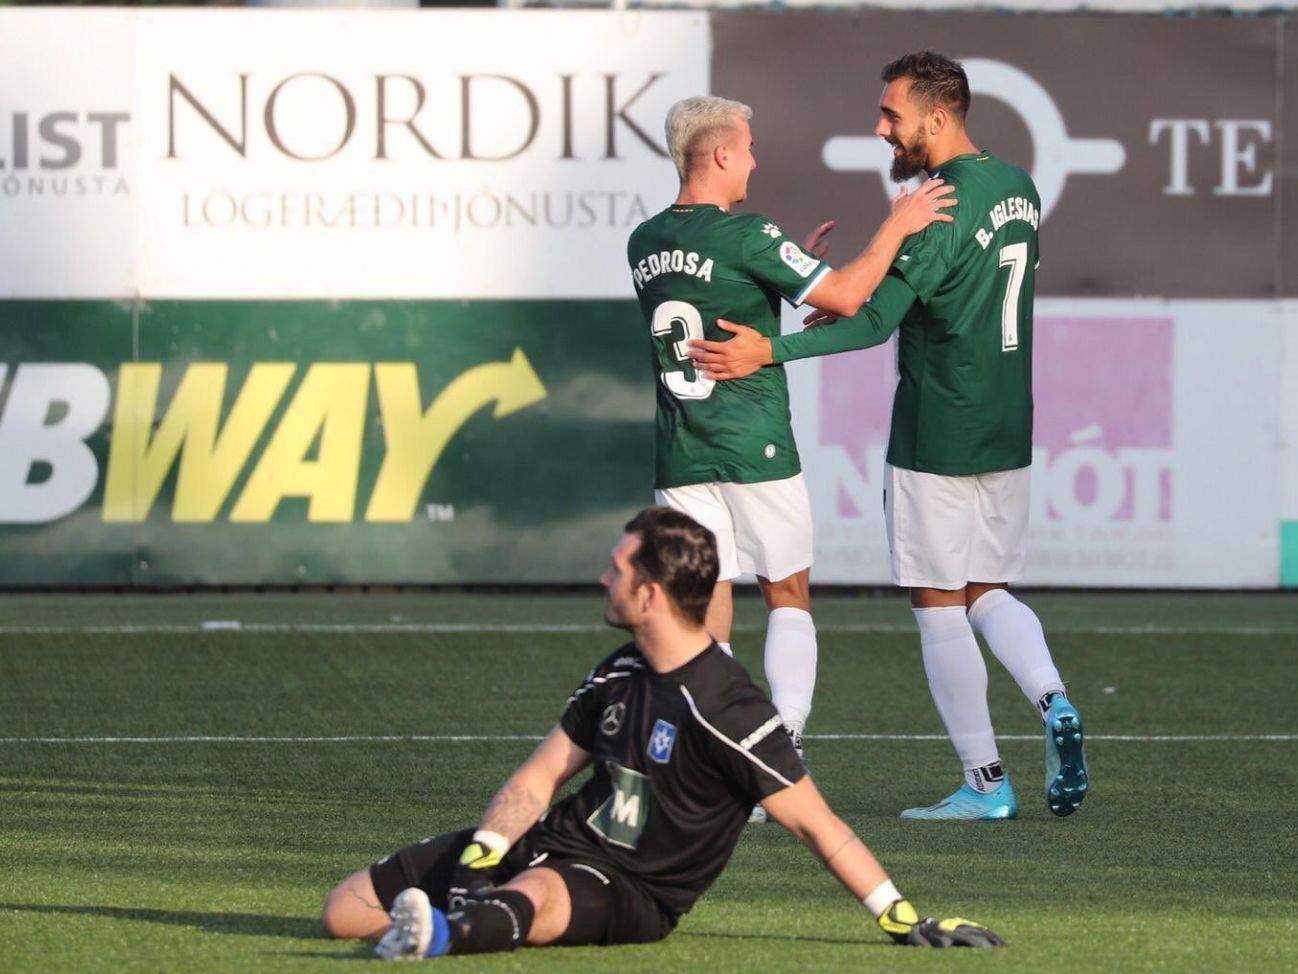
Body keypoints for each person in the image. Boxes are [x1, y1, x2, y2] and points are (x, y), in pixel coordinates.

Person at [320, 506, 1004, 959]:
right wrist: (483, 853)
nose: (603, 578)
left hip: (631, 889)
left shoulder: (730, 708)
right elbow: (540, 776)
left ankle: (444, 934)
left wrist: (900, 917)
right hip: (548, 843)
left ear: (650, 595)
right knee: (343, 913)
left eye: (616, 570)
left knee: (541, 898)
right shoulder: (619, 670)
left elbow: (820, 826)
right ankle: (450, 922)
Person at [686, 53, 1088, 822]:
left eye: (891, 115)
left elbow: (876, 323)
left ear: (937, 118)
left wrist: (769, 349)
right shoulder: (1019, 187)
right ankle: (1054, 700)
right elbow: (940, 294)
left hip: (939, 424)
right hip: (1008, 423)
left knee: (938, 604)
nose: (881, 128)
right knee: (990, 590)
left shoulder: (934, 203)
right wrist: (854, 299)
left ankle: (986, 782)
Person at [626, 96, 954, 795]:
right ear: (718, 155)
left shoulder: (645, 240)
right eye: (746, 147)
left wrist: (778, 273)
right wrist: (896, 225)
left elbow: (714, 290)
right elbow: (846, 298)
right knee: (788, 595)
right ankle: (782, 749)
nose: (753, 159)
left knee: (705, 607)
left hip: (682, 447)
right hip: (754, 445)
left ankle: (701, 755)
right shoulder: (747, 234)